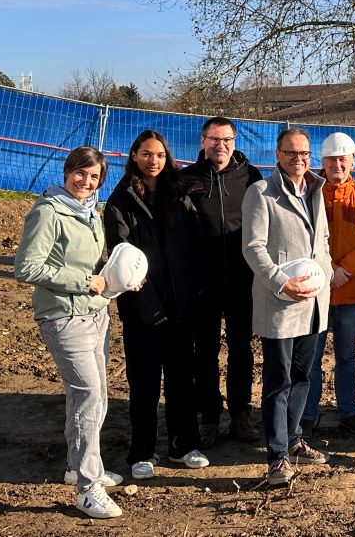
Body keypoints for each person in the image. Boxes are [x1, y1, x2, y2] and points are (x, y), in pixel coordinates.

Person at [13, 147, 124, 519]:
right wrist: (84, 281)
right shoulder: (49, 212)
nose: (85, 182)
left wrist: (120, 277)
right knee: (87, 395)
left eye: (94, 178)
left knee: (96, 396)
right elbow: (27, 267)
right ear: (67, 171)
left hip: (95, 314)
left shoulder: (91, 211)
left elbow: (93, 265)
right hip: (63, 317)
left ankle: (79, 466)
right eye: (80, 173)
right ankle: (87, 488)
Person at [104, 131, 210, 480]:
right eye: (147, 154)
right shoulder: (120, 202)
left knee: (182, 380)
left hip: (181, 305)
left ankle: (183, 445)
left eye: (160, 155)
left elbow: (196, 248)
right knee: (145, 384)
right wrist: (150, 308)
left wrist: (192, 294)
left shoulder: (179, 194)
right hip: (143, 311)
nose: (154, 161)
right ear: (133, 155)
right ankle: (142, 451)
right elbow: (122, 262)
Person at [242, 128, 333, 485]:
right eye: (291, 153)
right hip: (280, 302)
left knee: (303, 376)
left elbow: (321, 240)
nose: (299, 159)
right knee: (278, 381)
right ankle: (277, 456)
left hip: (312, 303)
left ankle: (295, 440)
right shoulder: (261, 193)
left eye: (304, 153)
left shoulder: (316, 190)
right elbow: (253, 247)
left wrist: (322, 275)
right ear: (278, 155)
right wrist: (281, 281)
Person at [180, 116, 263, 447]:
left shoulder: (251, 177)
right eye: (214, 139)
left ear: (234, 141)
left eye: (227, 139)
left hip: (243, 280)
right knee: (205, 352)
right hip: (204, 281)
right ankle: (210, 417)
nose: (221, 145)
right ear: (203, 141)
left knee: (241, 349)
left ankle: (241, 415)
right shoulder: (186, 180)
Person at [301, 132, 355, 436]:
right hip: (315, 291)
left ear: (352, 161)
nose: (337, 164)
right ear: (322, 162)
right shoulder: (310, 195)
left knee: (347, 356)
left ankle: (348, 412)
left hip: (349, 290)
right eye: (332, 159)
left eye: (343, 159)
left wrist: (345, 270)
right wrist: (328, 270)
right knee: (312, 356)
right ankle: (308, 414)